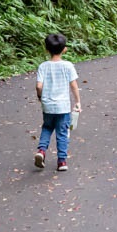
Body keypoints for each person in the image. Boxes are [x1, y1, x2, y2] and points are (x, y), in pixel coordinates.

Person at [35, 33, 81, 172]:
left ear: (46, 50)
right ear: (64, 49)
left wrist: (40, 97)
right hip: (63, 106)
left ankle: (41, 151)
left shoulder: (43, 66)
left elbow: (39, 86)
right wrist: (78, 101)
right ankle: (61, 161)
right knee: (62, 132)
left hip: (47, 105)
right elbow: (73, 85)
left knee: (47, 128)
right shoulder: (67, 66)